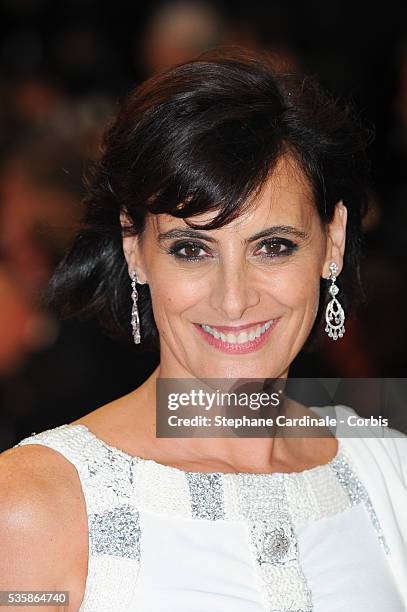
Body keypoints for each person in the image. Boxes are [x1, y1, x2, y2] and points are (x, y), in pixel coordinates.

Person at [1, 48, 406, 612]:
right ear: (134, 250)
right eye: (192, 250)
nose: (234, 299)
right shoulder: (35, 505)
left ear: (331, 243)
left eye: (274, 247)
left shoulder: (387, 468)